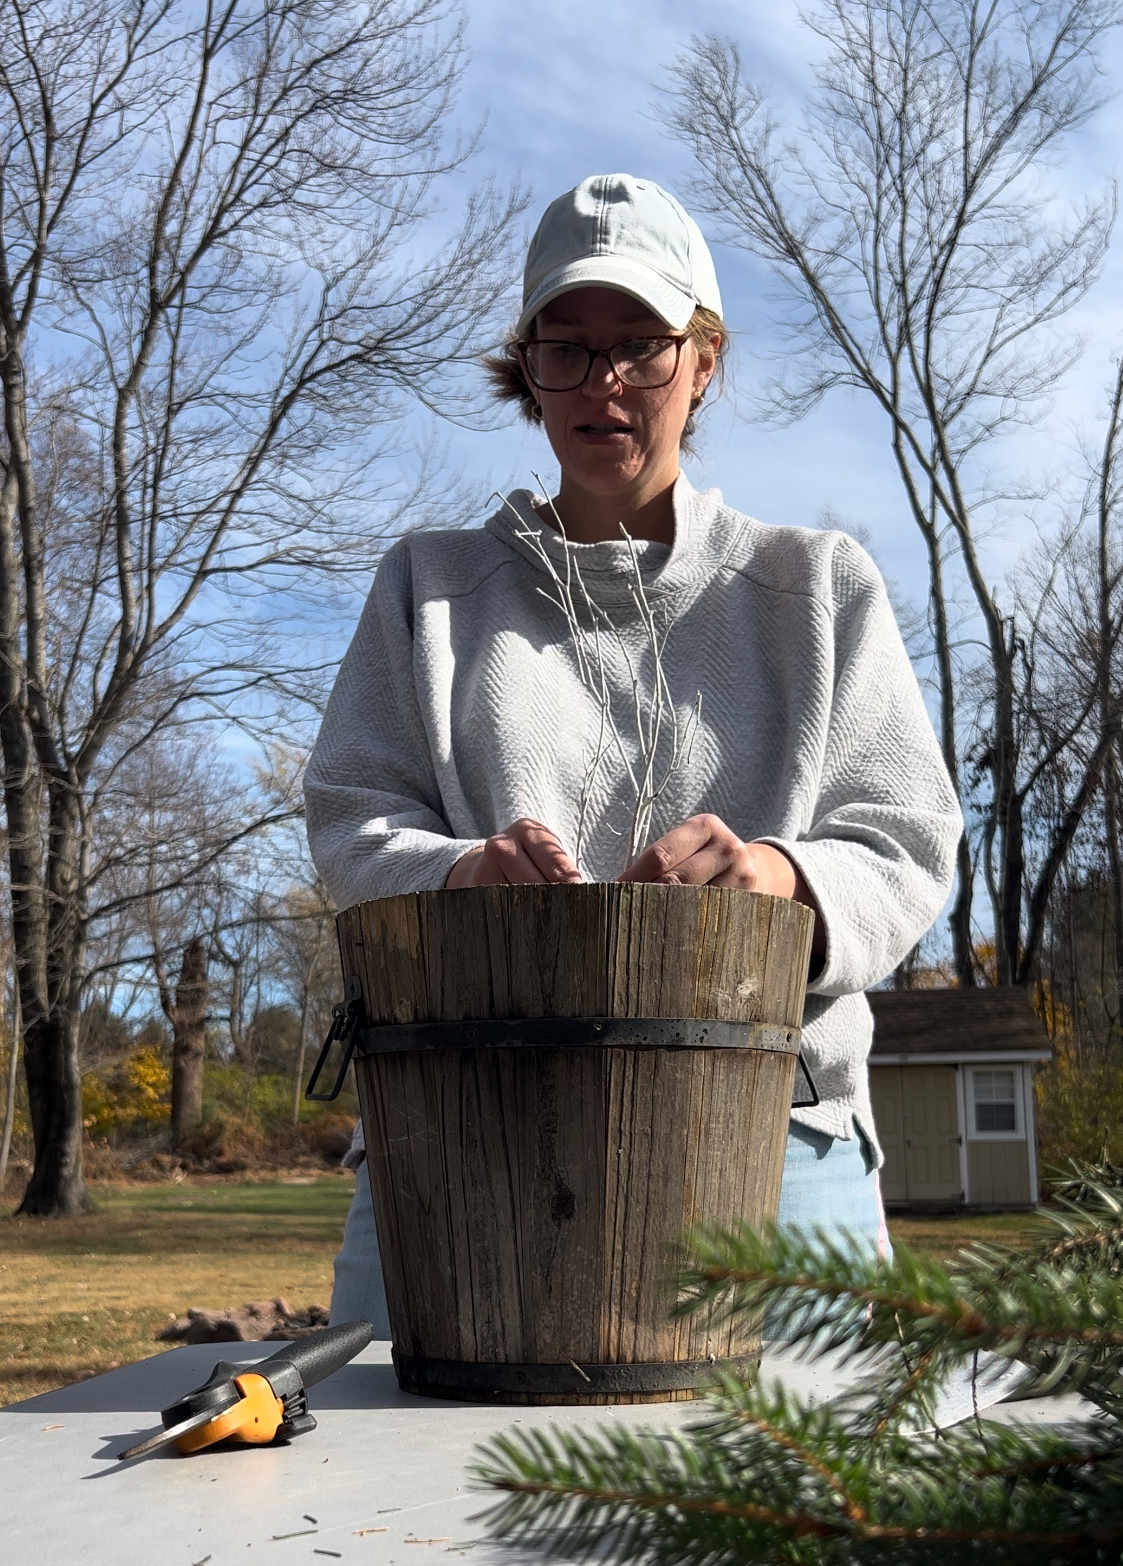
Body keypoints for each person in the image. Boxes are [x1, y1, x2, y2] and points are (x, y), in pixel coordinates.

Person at [305, 174, 962, 1337]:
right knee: (377, 1499)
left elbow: (907, 838)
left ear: (702, 361)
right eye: (568, 346)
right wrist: (457, 878)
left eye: (640, 346)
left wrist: (781, 881)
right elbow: (353, 818)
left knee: (796, 1509)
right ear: (530, 370)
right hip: (459, 1140)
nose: (603, 381)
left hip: (778, 1136)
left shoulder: (815, 590)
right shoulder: (431, 589)